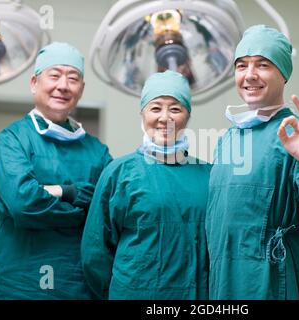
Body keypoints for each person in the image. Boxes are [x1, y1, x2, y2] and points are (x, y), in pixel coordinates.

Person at [205, 25, 299, 300]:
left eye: (263, 65)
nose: (249, 75)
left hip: (275, 284)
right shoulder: (228, 138)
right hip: (225, 285)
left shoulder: (298, 134)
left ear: (283, 74)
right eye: (242, 66)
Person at [0, 42, 112, 299]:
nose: (63, 85)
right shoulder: (12, 140)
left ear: (81, 89)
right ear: (34, 83)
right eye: (54, 75)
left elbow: (105, 215)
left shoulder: (98, 152)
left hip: (76, 285)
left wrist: (47, 192)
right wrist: (71, 194)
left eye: (72, 78)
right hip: (17, 286)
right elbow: (23, 205)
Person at [81, 70, 211, 300]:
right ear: (142, 114)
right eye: (155, 108)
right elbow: (95, 252)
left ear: (187, 116)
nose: (164, 117)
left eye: (175, 108)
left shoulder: (208, 175)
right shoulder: (119, 173)